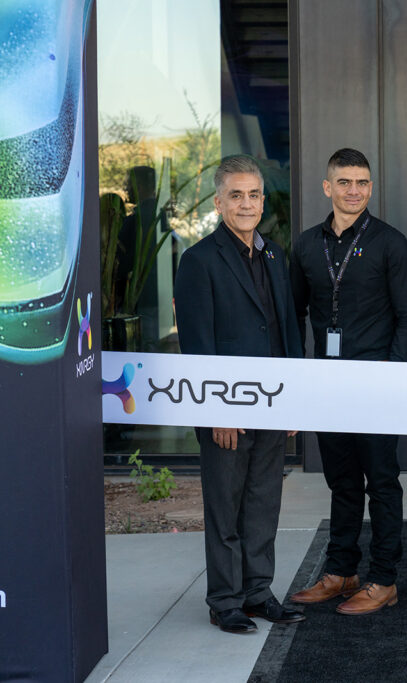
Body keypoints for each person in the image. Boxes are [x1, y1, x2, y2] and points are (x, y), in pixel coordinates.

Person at [173, 154, 305, 634]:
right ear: (218, 202)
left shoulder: (273, 255)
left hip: (271, 402)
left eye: (253, 195)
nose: (246, 204)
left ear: (262, 201)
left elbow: (287, 329)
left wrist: (293, 400)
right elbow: (197, 345)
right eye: (236, 195)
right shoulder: (198, 261)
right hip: (226, 410)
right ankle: (225, 600)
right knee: (225, 506)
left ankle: (258, 592)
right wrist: (217, 411)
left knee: (264, 502)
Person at [288, 148, 407, 615]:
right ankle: (341, 571)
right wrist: (298, 377)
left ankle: (384, 579)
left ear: (370, 187)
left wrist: (393, 375)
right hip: (327, 383)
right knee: (341, 481)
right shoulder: (307, 245)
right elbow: (294, 314)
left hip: (376, 384)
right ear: (328, 187)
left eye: (362, 182)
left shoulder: (391, 243)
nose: (354, 191)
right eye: (344, 182)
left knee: (381, 482)